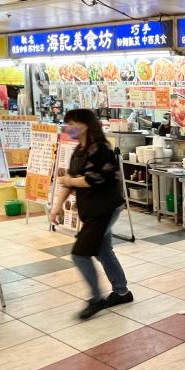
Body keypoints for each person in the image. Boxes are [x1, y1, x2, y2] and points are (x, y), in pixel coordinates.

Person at [50, 109, 133, 320]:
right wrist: (57, 205)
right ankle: (122, 292)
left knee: (80, 253)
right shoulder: (79, 150)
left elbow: (91, 180)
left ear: (85, 124)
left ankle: (96, 299)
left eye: (71, 123)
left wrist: (68, 181)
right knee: (104, 251)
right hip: (92, 209)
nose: (67, 127)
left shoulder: (100, 149)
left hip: (104, 209)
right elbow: (70, 179)